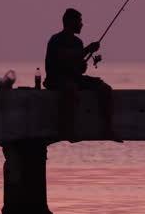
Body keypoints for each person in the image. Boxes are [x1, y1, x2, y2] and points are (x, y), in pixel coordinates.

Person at [45, 8, 115, 136]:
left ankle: (107, 128)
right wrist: (88, 49)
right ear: (70, 22)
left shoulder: (78, 42)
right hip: (56, 79)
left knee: (105, 88)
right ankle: (68, 128)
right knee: (70, 88)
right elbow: (64, 58)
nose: (81, 24)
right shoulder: (56, 40)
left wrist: (82, 65)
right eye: (79, 21)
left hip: (74, 78)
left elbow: (78, 68)